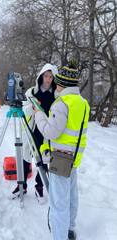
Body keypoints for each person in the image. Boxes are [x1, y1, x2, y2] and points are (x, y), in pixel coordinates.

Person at [34, 60, 90, 239]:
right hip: (74, 158)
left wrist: (38, 115)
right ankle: (70, 229)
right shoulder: (82, 103)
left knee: (59, 203)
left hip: (60, 159)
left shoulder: (61, 103)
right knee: (72, 196)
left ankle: (60, 236)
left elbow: (51, 131)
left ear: (61, 84)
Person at [12, 63, 58, 203]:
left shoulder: (56, 95)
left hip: (45, 132)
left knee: (43, 161)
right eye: (46, 76)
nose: (48, 79)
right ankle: (22, 186)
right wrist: (32, 107)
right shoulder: (31, 92)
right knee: (25, 158)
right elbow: (24, 110)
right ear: (41, 75)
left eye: (51, 77)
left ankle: (39, 187)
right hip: (31, 129)